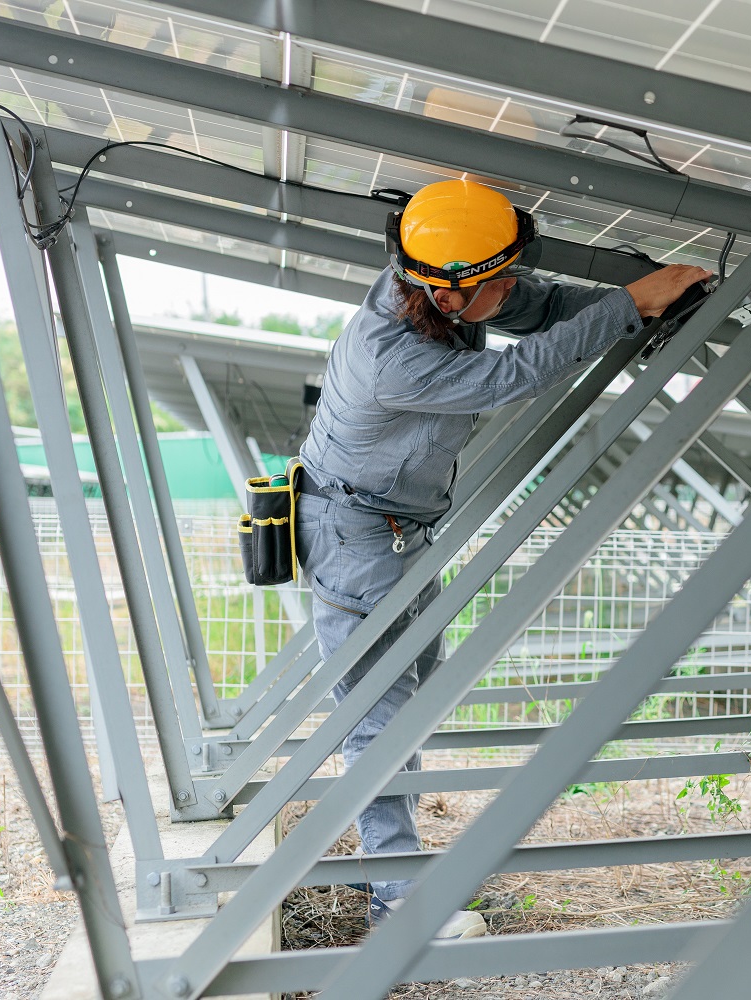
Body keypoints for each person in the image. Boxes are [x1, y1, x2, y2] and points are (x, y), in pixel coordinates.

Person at [294, 179, 710, 936]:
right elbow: (510, 376)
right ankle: (398, 901)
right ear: (450, 296)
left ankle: (390, 869)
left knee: (406, 707)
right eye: (501, 282)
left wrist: (643, 297)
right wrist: (626, 307)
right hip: (358, 538)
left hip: (394, 528)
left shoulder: (429, 284)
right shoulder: (395, 358)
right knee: (377, 718)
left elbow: (545, 307)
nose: (515, 288)